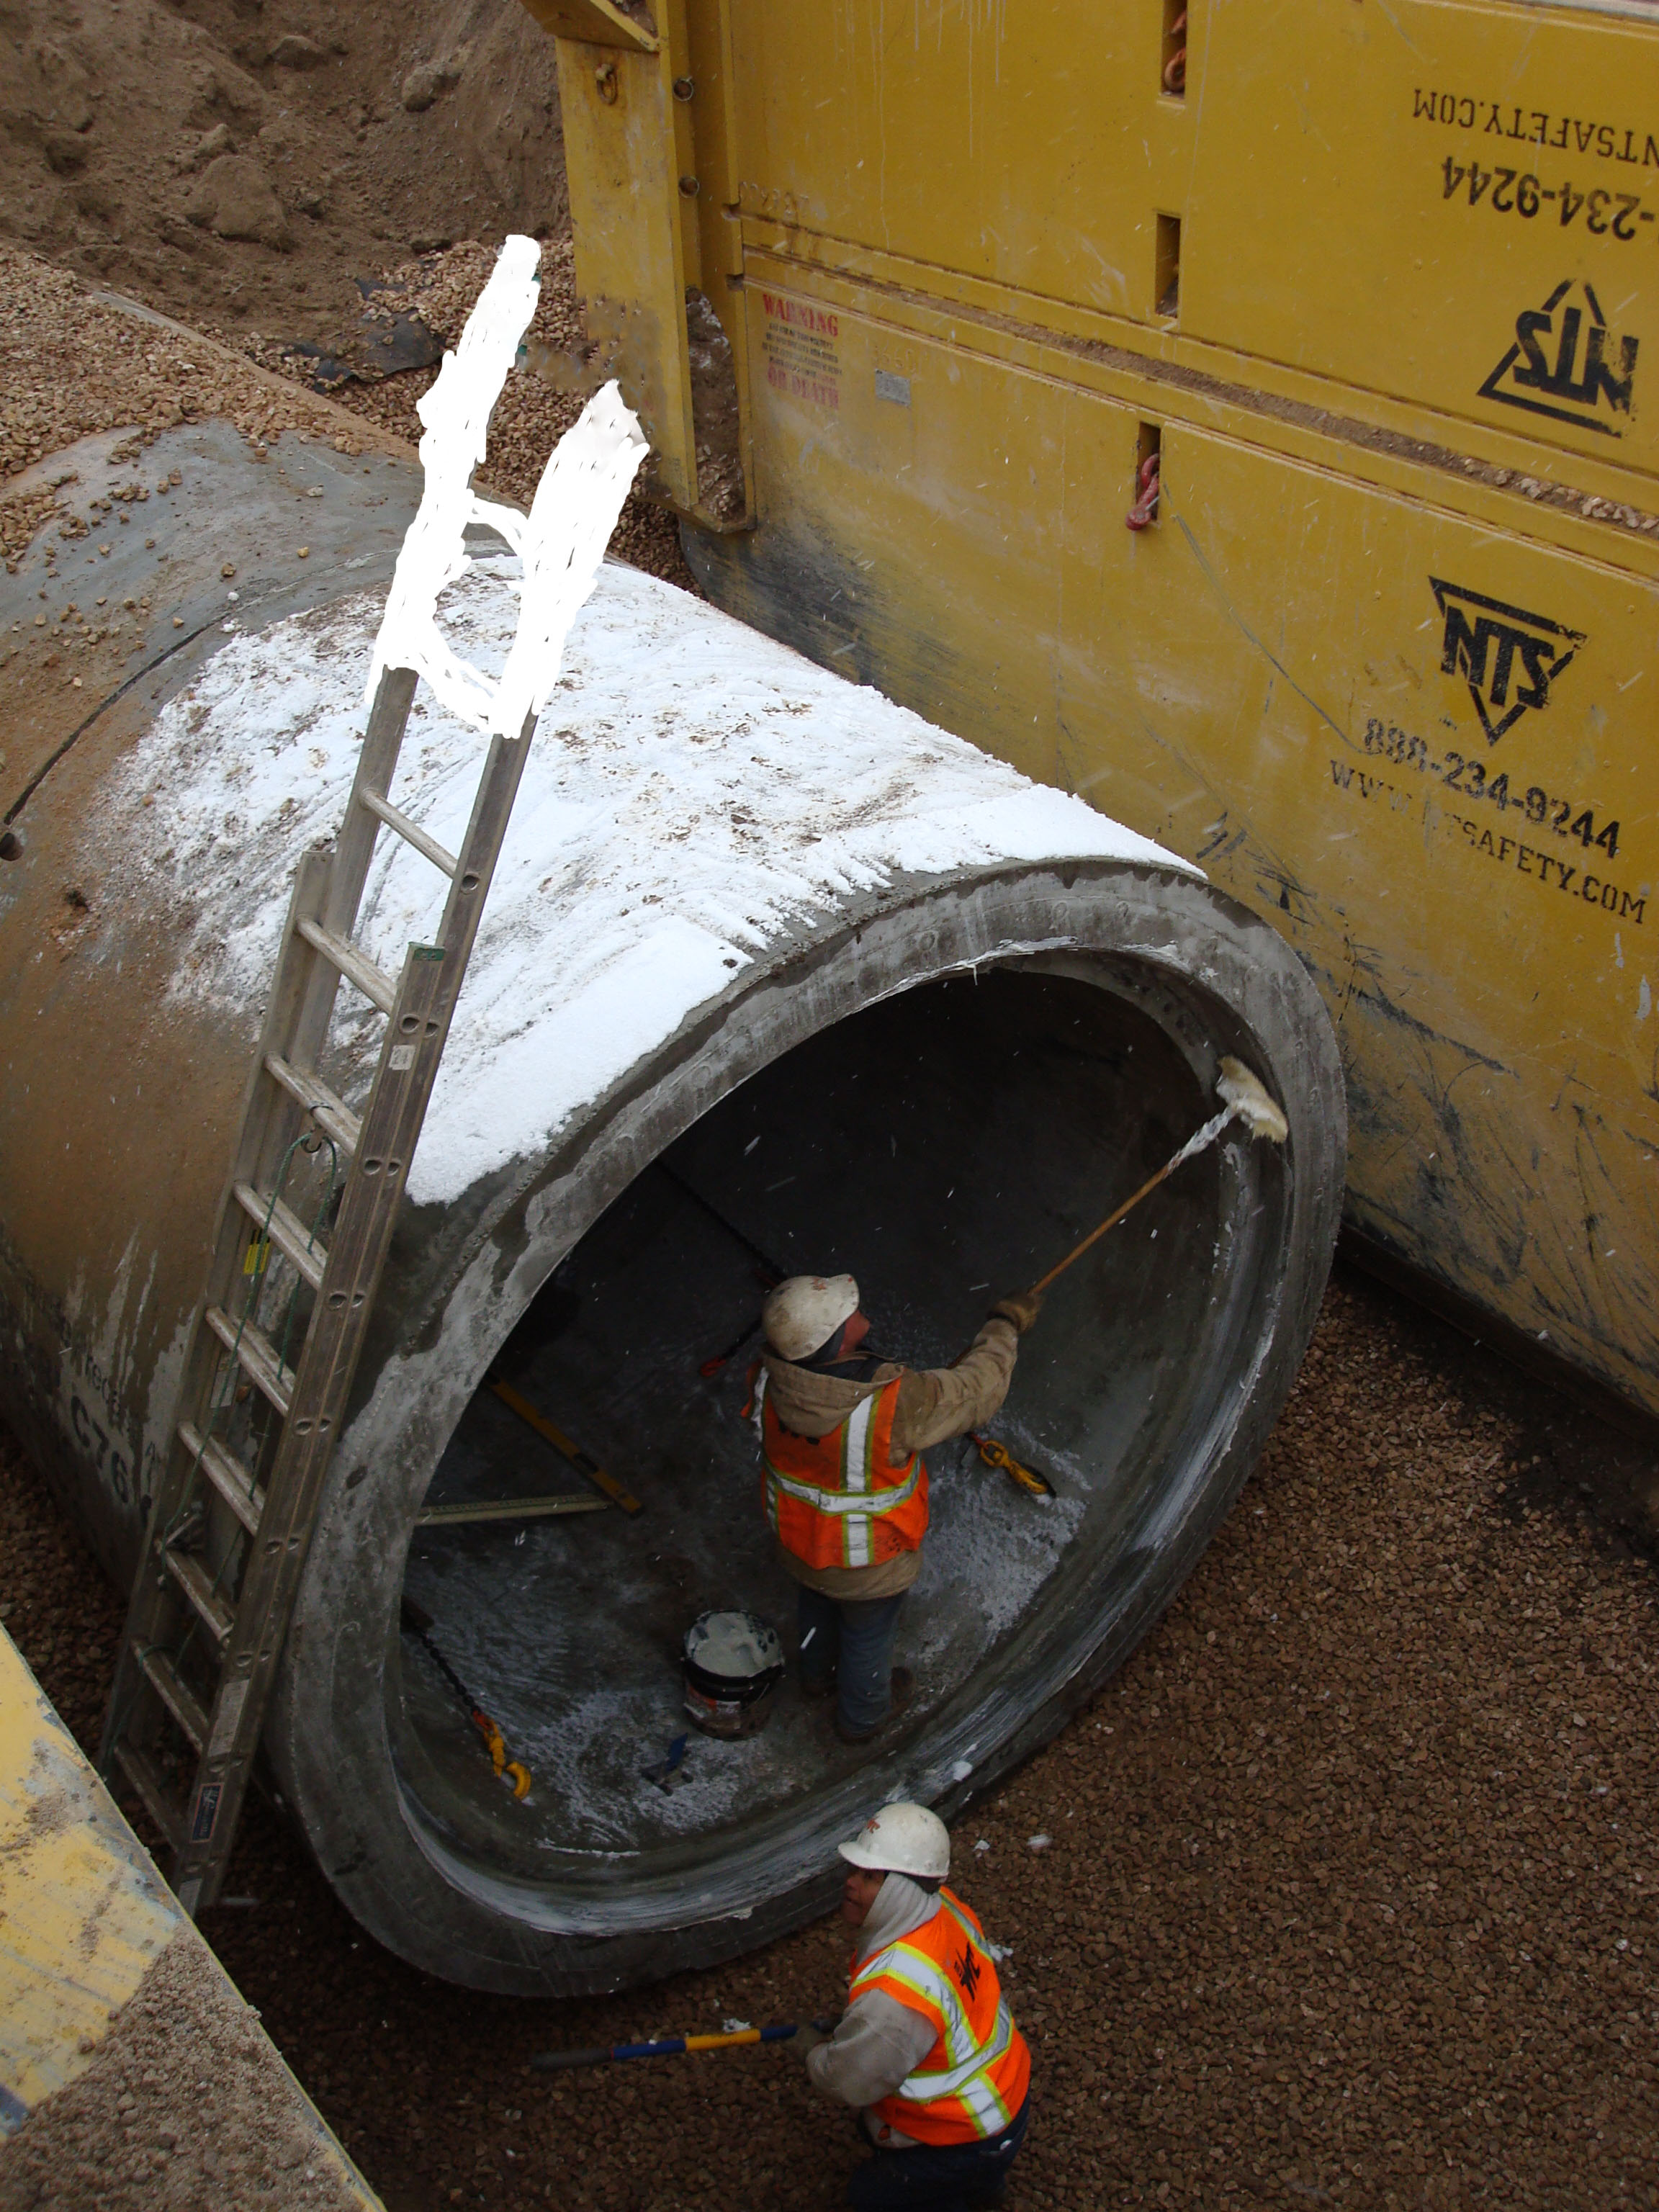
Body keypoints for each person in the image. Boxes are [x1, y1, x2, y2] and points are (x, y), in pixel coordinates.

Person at [753, 1273, 1041, 1743]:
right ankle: (862, 1719)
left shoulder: (768, 1379)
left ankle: (816, 1676)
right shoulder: (893, 1403)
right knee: (867, 1633)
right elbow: (977, 1390)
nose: (855, 1308)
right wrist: (1003, 1326)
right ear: (835, 1340)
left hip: (800, 1541)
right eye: (847, 1311)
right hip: (868, 1560)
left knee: (817, 1602)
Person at [799, 1801, 1031, 2210]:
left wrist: (814, 2055)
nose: (850, 1883)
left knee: (870, 2198)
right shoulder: (946, 1910)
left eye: (870, 1877)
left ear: (901, 1891)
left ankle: (963, 2189)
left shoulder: (894, 1998)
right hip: (1008, 2092)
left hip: (969, 2137)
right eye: (855, 1870)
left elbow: (848, 2082)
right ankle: (982, 2188)